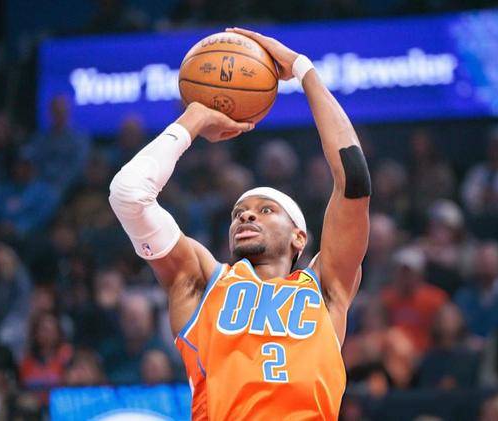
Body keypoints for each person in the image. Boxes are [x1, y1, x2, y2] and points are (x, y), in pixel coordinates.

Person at [109, 28, 371, 419]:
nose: (246, 215)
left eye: (266, 210)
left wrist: (304, 70)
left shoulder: (326, 288)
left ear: (299, 237)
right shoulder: (202, 283)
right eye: (239, 212)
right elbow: (129, 194)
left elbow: (354, 178)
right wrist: (194, 117)